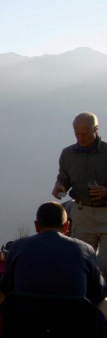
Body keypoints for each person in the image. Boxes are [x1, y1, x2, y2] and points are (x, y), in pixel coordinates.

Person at [0, 201, 107, 338]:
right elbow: (99, 293)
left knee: (0, 292)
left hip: (27, 325)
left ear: (36, 225)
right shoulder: (85, 250)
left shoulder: (18, 246)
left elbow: (7, 287)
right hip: (74, 328)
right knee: (105, 302)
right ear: (66, 226)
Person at [52, 111, 107, 279]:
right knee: (81, 262)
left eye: (85, 134)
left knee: (105, 265)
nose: (80, 138)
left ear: (96, 129)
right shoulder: (68, 154)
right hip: (82, 213)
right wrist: (59, 187)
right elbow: (64, 178)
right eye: (77, 134)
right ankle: (84, 302)